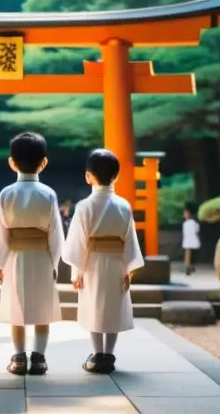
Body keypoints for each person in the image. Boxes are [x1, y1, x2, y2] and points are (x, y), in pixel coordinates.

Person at [0, 131, 65, 376]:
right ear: (44, 162)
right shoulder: (49, 194)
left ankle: (18, 357)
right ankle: (39, 358)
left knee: (16, 308)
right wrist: (54, 263)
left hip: (14, 257)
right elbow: (56, 234)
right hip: (41, 256)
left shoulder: (7, 194)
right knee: (42, 308)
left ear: (11, 162)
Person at [63, 148, 143, 374]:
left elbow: (77, 243)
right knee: (113, 308)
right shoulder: (124, 206)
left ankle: (97, 353)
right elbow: (130, 240)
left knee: (94, 308)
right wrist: (129, 268)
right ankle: (109, 355)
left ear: (88, 176)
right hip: (117, 262)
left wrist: (76, 272)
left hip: (92, 263)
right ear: (116, 176)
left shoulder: (84, 207)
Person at [182, 203, 201, 275]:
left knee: (190, 255)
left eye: (186, 213)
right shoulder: (186, 223)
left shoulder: (193, 223)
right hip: (189, 241)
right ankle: (188, 267)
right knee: (188, 254)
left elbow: (196, 231)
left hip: (191, 241)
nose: (185, 215)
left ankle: (189, 267)